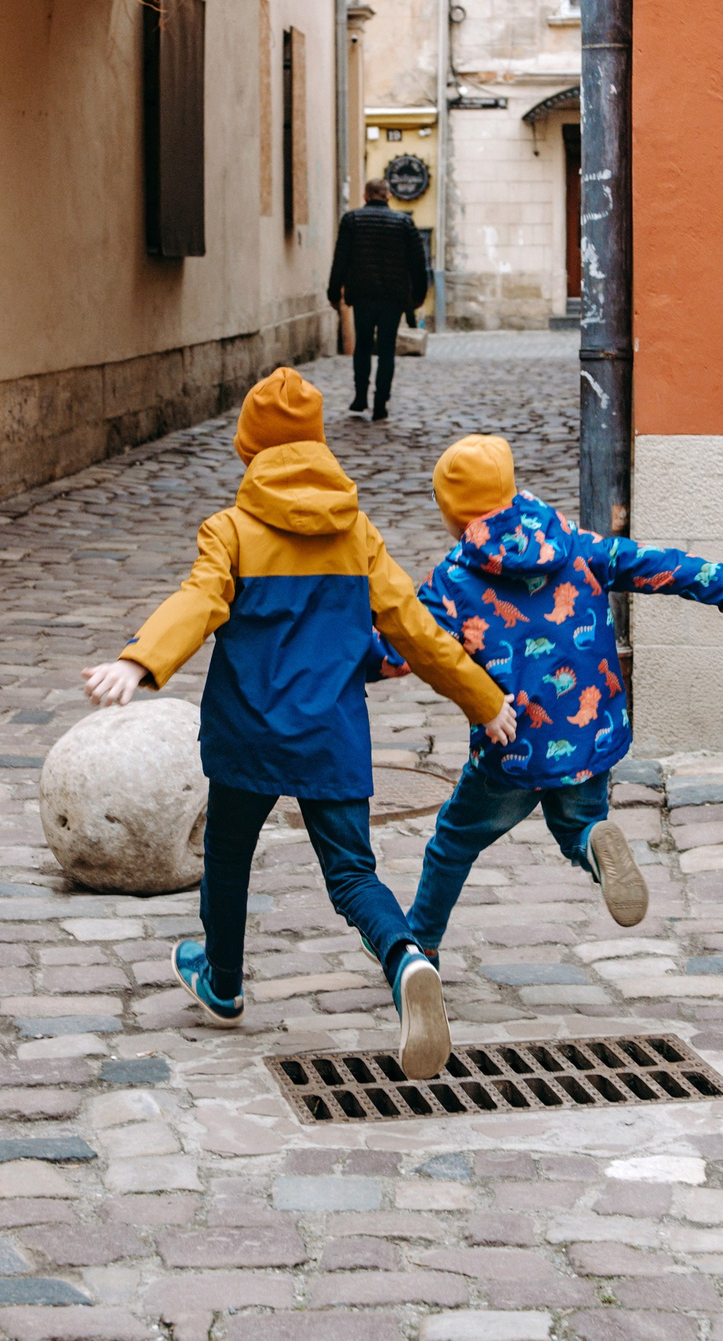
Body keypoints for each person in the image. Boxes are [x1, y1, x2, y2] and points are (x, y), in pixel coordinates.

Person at [82, 368, 517, 1080]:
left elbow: (197, 602)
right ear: (318, 445)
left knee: (228, 854)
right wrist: (483, 699)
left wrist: (139, 661)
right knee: (351, 874)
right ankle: (405, 956)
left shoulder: (231, 531)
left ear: (249, 449)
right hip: (330, 737)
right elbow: (415, 629)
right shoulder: (358, 535)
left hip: (248, 736)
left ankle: (222, 982)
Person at [381, 434, 723, 955]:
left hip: (513, 748)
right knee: (578, 827)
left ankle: (421, 946)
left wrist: (342, 657)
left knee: (453, 842)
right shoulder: (574, 544)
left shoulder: (451, 581)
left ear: (454, 513)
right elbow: (652, 563)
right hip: (591, 735)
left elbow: (400, 650)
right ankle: (591, 844)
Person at [325, 179, 430, 422]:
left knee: (362, 345)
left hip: (362, 294)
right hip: (393, 297)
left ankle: (360, 396)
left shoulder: (352, 220)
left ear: (366, 196)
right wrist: (418, 296)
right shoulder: (404, 222)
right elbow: (418, 263)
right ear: (388, 196)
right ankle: (381, 403)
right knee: (386, 350)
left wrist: (333, 293)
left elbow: (340, 259)